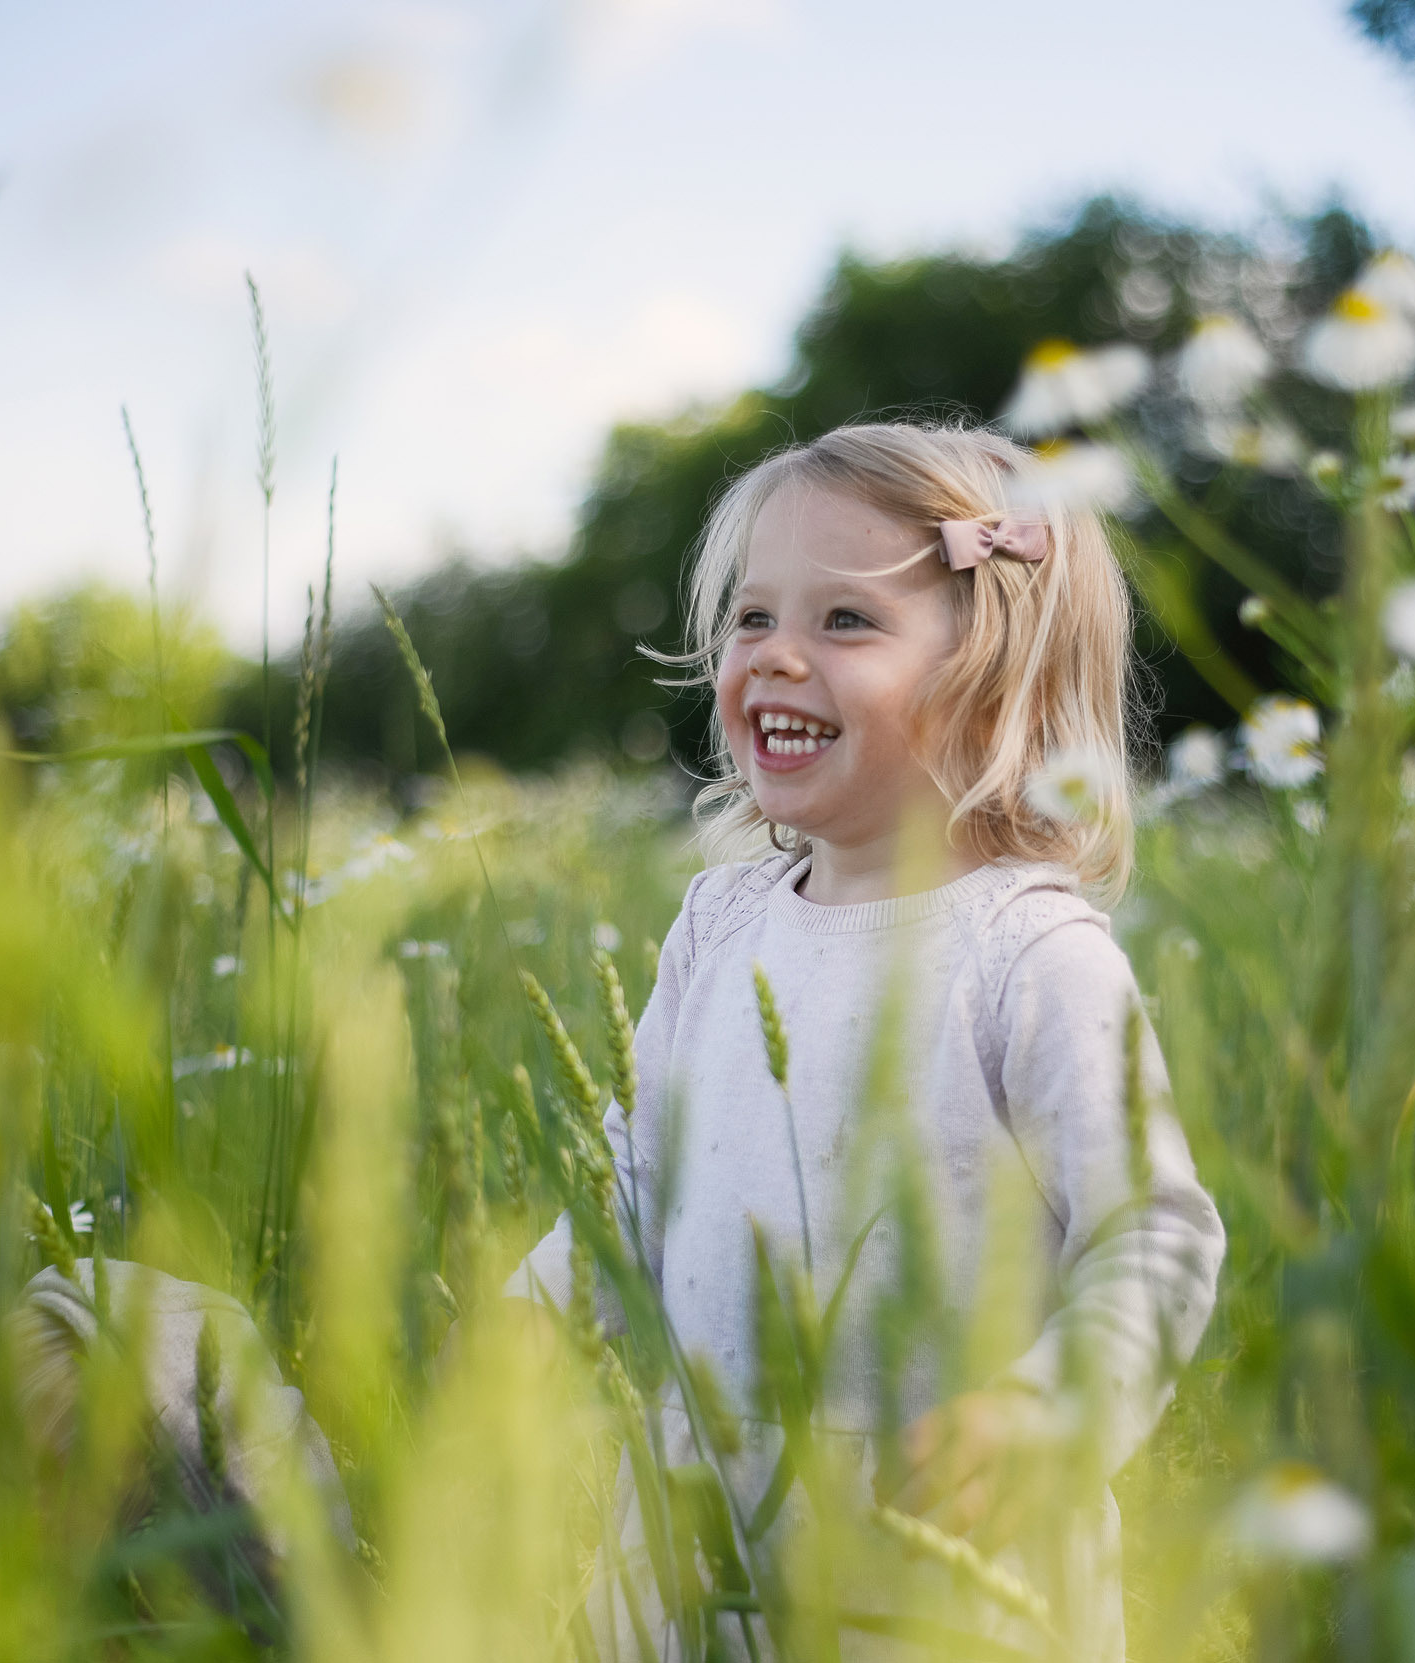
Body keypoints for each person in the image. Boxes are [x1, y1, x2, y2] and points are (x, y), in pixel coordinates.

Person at [507, 421, 1224, 1661]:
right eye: (750, 619)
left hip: (942, 1568)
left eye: (844, 622)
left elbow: (1151, 1231)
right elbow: (640, 1171)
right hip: (694, 1544)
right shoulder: (717, 922)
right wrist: (534, 1310)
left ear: (990, 676)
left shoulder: (1028, 955)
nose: (775, 656)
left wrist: (1053, 1413)